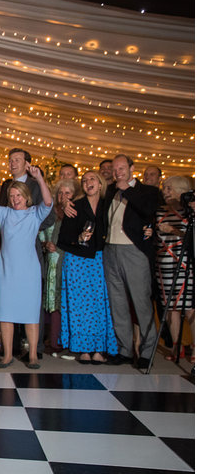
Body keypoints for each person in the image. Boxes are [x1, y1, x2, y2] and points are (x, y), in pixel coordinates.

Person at [0, 164, 53, 369]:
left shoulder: (35, 213)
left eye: (19, 195)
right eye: (12, 195)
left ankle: (33, 355)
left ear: (26, 197)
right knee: (6, 312)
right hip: (7, 271)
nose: (15, 199)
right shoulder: (5, 214)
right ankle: (7, 355)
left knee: (30, 314)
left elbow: (48, 202)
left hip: (29, 272)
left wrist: (39, 179)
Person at [102, 154, 161, 368]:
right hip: (110, 250)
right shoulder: (110, 191)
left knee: (141, 302)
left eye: (121, 168)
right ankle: (124, 350)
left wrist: (128, 189)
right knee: (118, 303)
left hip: (134, 251)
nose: (118, 172)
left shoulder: (147, 191)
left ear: (131, 168)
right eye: (115, 169)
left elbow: (148, 211)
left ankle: (147, 352)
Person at [57, 171, 117, 364]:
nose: (87, 182)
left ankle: (99, 349)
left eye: (92, 179)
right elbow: (63, 238)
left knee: (100, 304)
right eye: (84, 180)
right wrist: (79, 239)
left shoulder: (109, 204)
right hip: (76, 260)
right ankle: (83, 348)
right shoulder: (74, 205)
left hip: (100, 259)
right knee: (79, 306)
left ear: (100, 184)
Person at [155, 175, 193, 361]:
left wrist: (175, 231)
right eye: (164, 188)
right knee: (171, 308)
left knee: (190, 308)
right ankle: (177, 347)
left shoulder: (190, 212)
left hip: (186, 263)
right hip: (164, 264)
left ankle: (195, 346)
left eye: (169, 188)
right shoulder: (160, 211)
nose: (166, 192)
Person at [39, 178, 77, 357]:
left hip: (69, 261)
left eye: (67, 193)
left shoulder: (77, 212)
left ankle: (67, 341)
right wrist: (46, 244)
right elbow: (41, 233)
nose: (63, 196)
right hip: (52, 262)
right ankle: (54, 341)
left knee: (66, 301)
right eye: (60, 193)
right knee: (52, 301)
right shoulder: (50, 212)